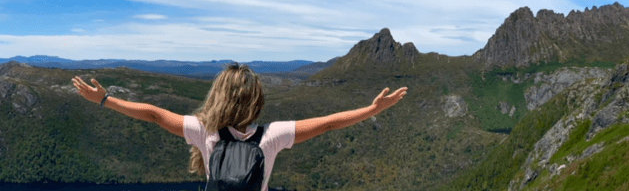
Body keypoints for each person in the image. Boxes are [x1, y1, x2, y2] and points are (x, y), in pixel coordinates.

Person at [71, 63, 407, 191]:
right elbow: (330, 124)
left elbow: (155, 115)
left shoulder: (205, 132)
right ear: (256, 101)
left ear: (218, 96)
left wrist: (105, 100)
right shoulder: (272, 136)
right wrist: (371, 109)